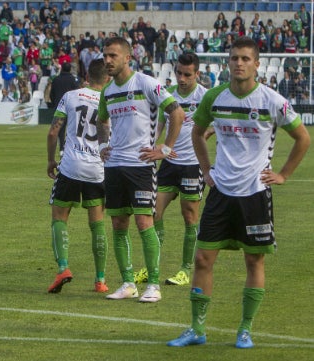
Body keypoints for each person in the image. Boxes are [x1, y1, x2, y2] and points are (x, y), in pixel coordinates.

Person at [168, 37, 310, 349]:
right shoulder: (215, 97)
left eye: (246, 58)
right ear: (228, 63)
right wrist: (206, 171)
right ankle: (196, 329)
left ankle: (245, 330)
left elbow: (302, 137)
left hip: (256, 195)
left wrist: (283, 174)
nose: (239, 63)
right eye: (234, 58)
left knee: (254, 262)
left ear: (257, 64)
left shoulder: (272, 100)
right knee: (203, 259)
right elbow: (196, 131)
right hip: (220, 193)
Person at [97, 37, 185, 303]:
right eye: (105, 56)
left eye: (113, 55)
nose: (108, 61)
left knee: (144, 221)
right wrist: (103, 144)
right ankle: (127, 283)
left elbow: (177, 113)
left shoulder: (146, 83)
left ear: (127, 57)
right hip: (114, 166)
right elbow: (101, 119)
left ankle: (154, 285)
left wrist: (165, 149)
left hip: (141, 166)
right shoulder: (107, 91)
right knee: (118, 223)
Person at [46, 59, 111, 294]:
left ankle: (63, 267)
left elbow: (54, 131)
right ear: (107, 78)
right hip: (97, 169)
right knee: (97, 225)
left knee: (59, 218)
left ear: (87, 74)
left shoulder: (71, 96)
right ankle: (100, 280)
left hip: (71, 165)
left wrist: (51, 159)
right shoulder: (109, 100)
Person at [153, 53, 207, 288]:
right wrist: (155, 145)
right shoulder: (169, 96)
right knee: (153, 213)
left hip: (192, 164)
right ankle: (151, 265)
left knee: (189, 217)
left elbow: (214, 125)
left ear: (197, 74)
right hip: (168, 163)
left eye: (187, 74)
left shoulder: (205, 96)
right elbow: (161, 124)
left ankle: (185, 269)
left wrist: (200, 138)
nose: (182, 78)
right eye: (179, 73)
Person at [50, 62, 80, 154]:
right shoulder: (73, 80)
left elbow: (52, 94)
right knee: (72, 127)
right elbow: (77, 93)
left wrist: (55, 102)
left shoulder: (56, 79)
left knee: (60, 128)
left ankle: (61, 148)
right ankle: (71, 147)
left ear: (62, 68)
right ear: (70, 69)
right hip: (71, 106)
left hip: (59, 106)